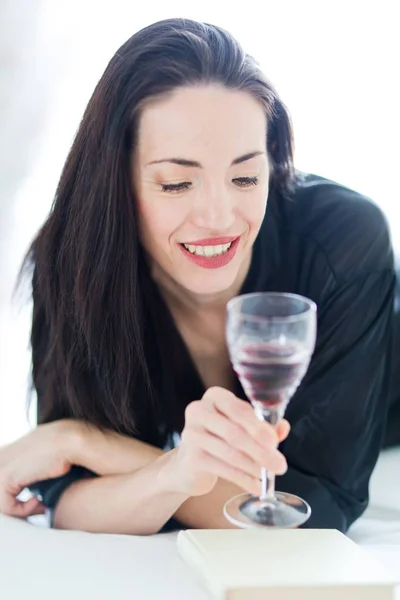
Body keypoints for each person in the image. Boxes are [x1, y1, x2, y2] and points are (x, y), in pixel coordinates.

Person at [0, 18, 396, 535]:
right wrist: (173, 472)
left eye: (246, 176)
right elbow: (70, 499)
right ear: (115, 183)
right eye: (177, 183)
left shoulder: (342, 240)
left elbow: (315, 515)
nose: (218, 216)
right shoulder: (74, 261)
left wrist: (85, 441)